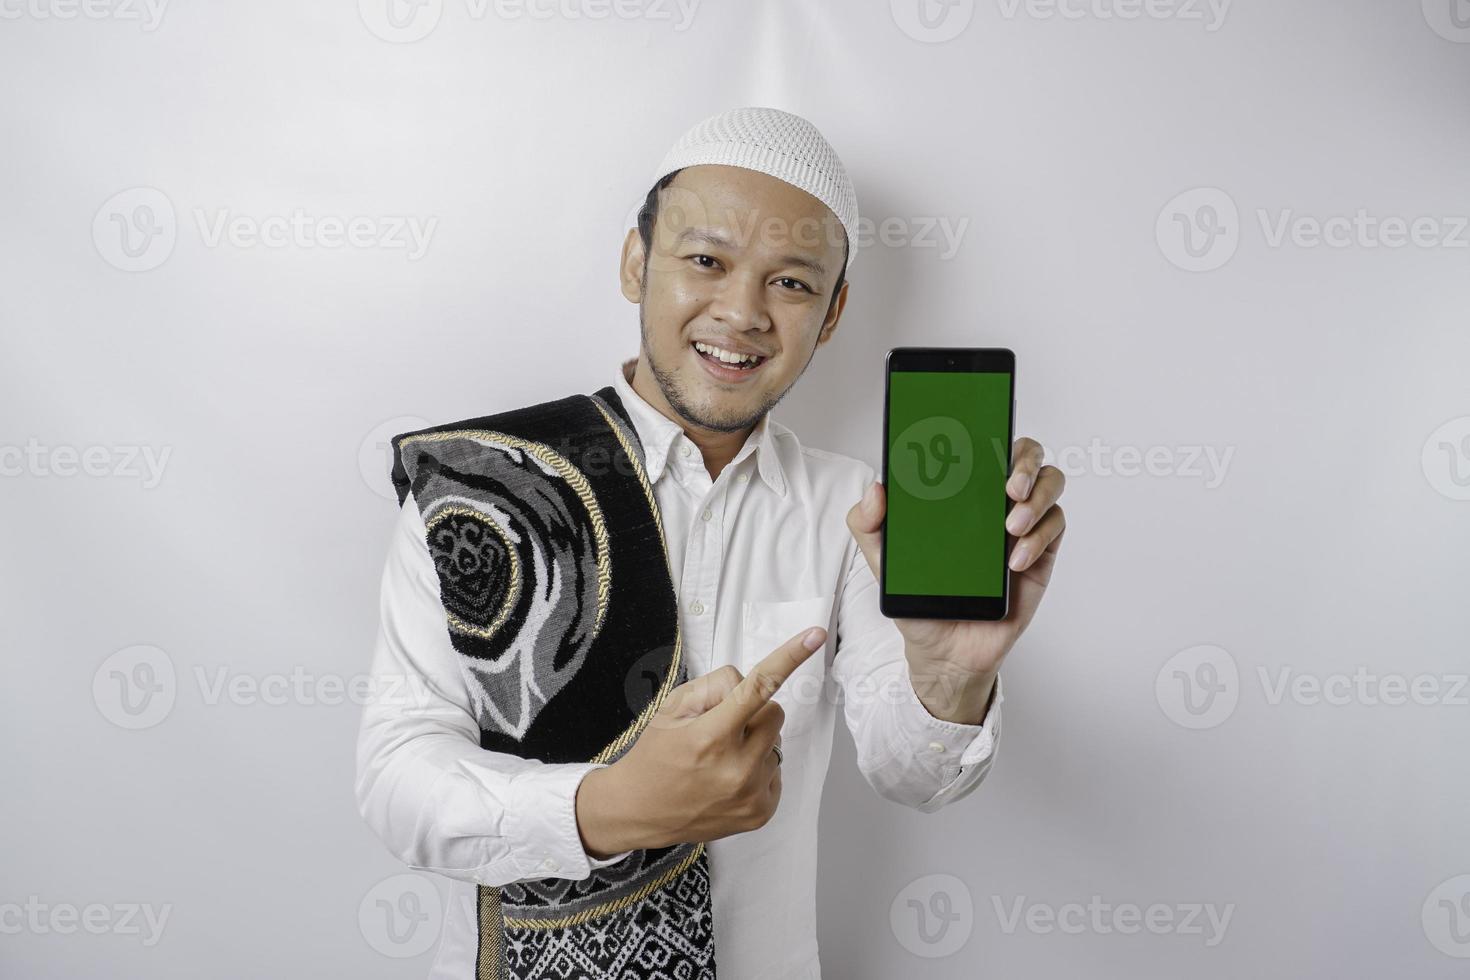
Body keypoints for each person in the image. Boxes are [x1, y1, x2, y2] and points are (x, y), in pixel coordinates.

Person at [356, 106, 1068, 979]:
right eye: (706, 261)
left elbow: (914, 777)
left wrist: (953, 669)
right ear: (635, 263)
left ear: (833, 313)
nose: (742, 312)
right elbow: (397, 783)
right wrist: (610, 805)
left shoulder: (858, 512)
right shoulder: (479, 487)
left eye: (792, 284)